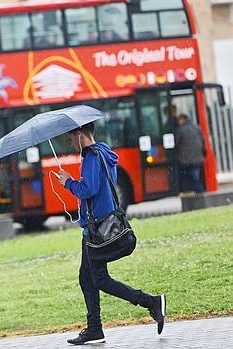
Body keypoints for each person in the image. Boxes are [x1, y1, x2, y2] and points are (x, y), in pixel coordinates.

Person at [56, 122, 166, 345]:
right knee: (87, 279)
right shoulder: (105, 152)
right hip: (98, 225)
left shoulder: (90, 155)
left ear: (79, 135)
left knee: (99, 279)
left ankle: (151, 302)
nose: (71, 143)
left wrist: (68, 182)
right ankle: (94, 328)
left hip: (95, 230)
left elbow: (88, 189)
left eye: (70, 138)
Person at [175, 113, 206, 193]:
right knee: (195, 176)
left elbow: (176, 143)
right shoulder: (196, 127)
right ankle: (199, 192)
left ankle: (200, 193)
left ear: (182, 119)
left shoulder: (181, 130)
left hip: (186, 159)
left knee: (191, 178)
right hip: (198, 157)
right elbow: (203, 141)